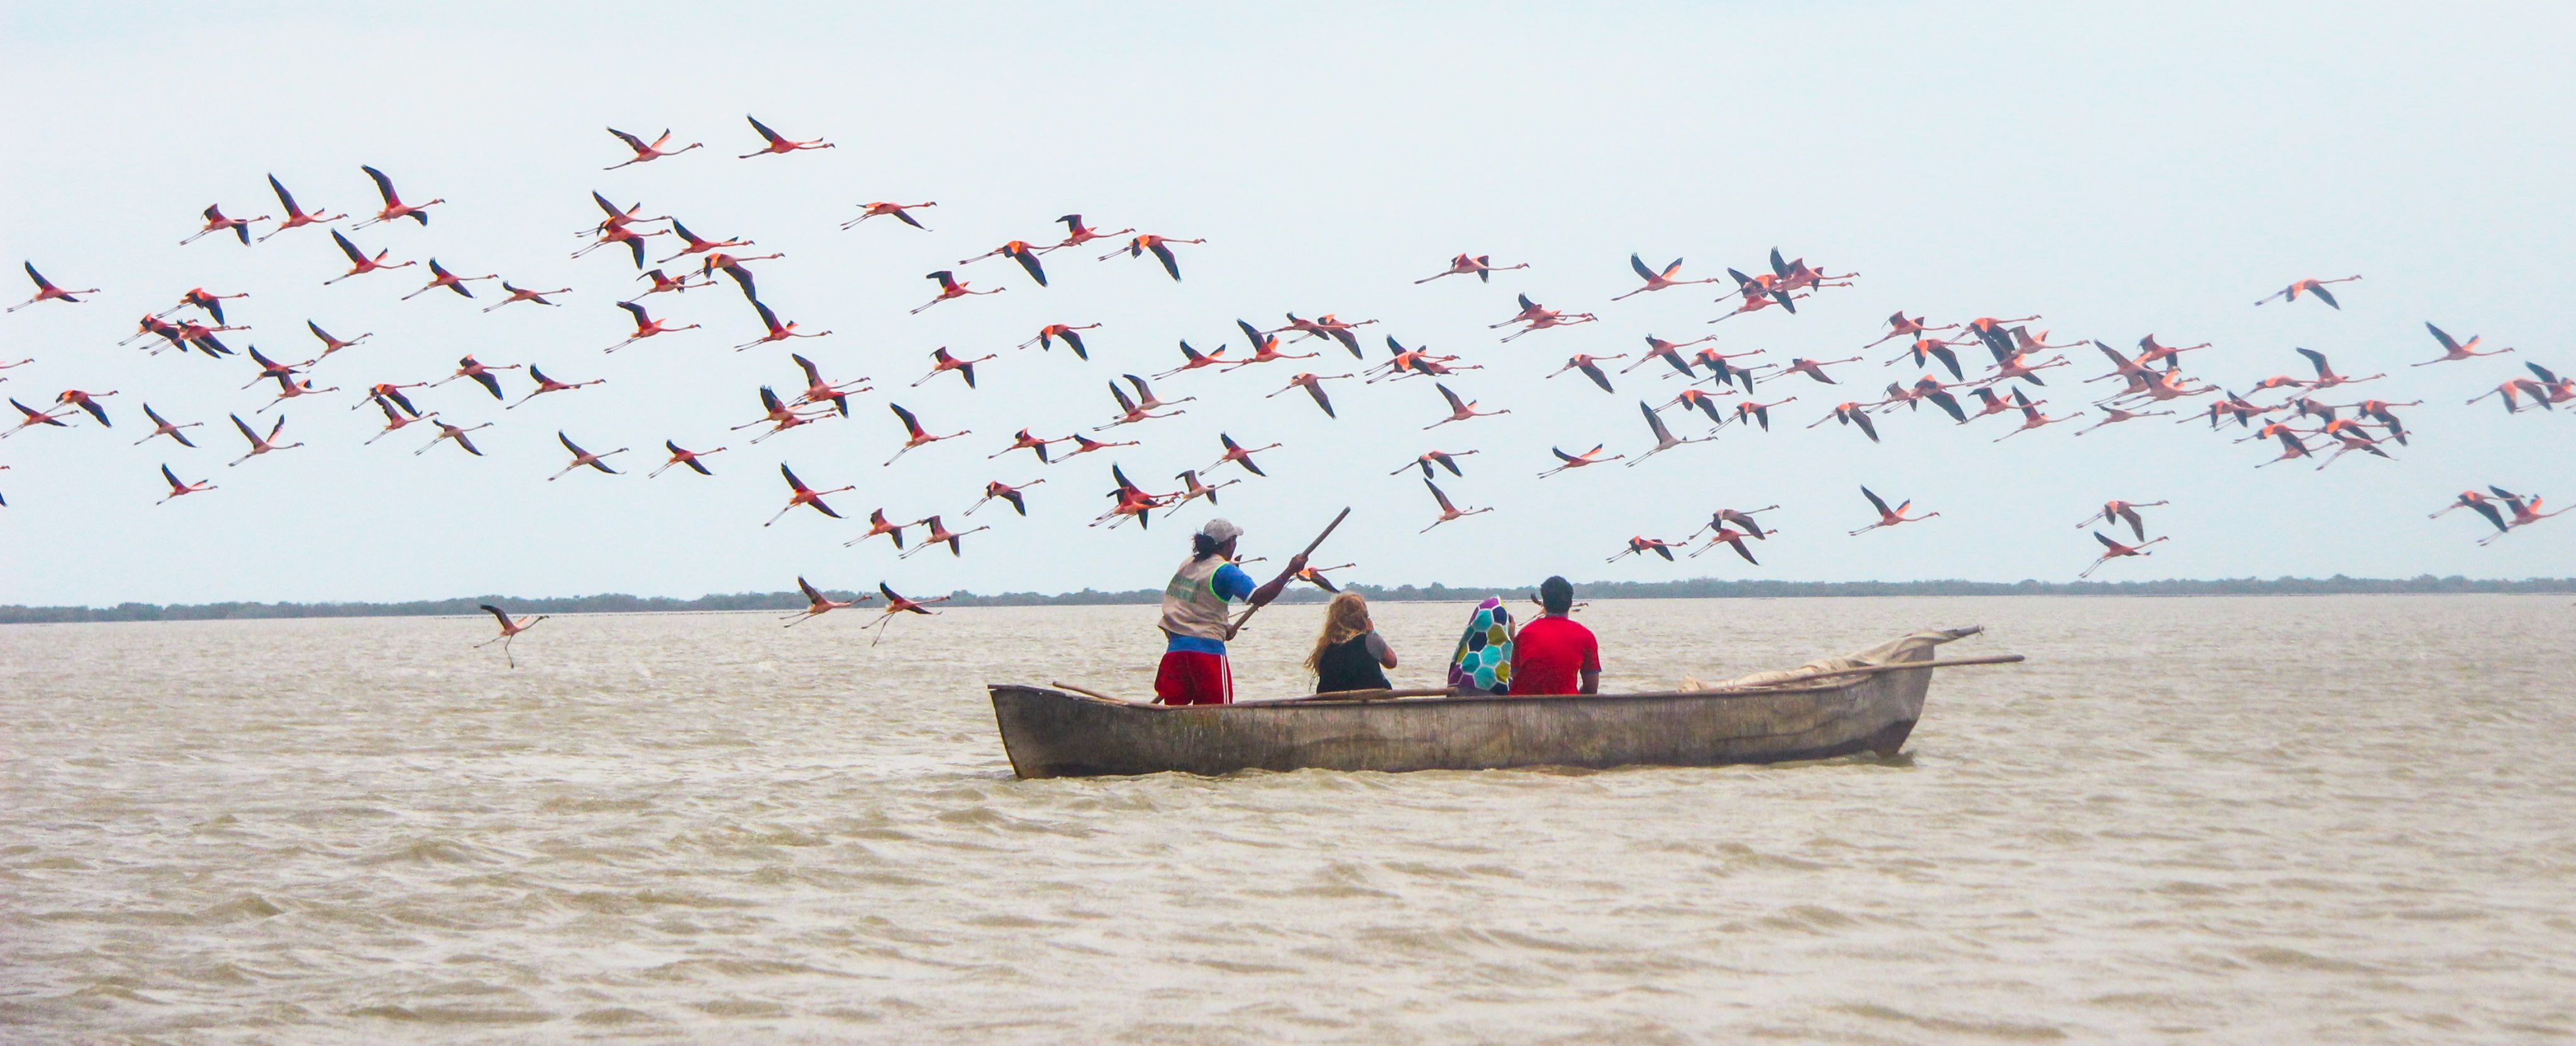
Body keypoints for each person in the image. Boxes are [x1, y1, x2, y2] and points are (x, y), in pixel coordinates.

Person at [1155, 518, 1306, 705]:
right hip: (1207, 655)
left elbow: (1194, 604)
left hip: (1175, 653)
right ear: (1230, 544)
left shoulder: (1188, 564)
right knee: (1217, 715)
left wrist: (1224, 627)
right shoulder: (1225, 570)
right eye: (1234, 541)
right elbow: (1259, 597)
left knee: (1173, 718)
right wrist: (1290, 570)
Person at [1508, 576, 1599, 696]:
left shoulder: (1525, 634)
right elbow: (1591, 689)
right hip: (1567, 707)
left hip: (1525, 709)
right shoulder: (1586, 637)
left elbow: (1516, 678)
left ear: (1544, 603)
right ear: (1571, 603)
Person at [1307, 592, 1397, 693]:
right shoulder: (1369, 640)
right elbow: (1392, 662)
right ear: (1363, 617)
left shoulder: (1325, 646)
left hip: (1331, 701)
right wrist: (1372, 632)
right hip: (1370, 698)